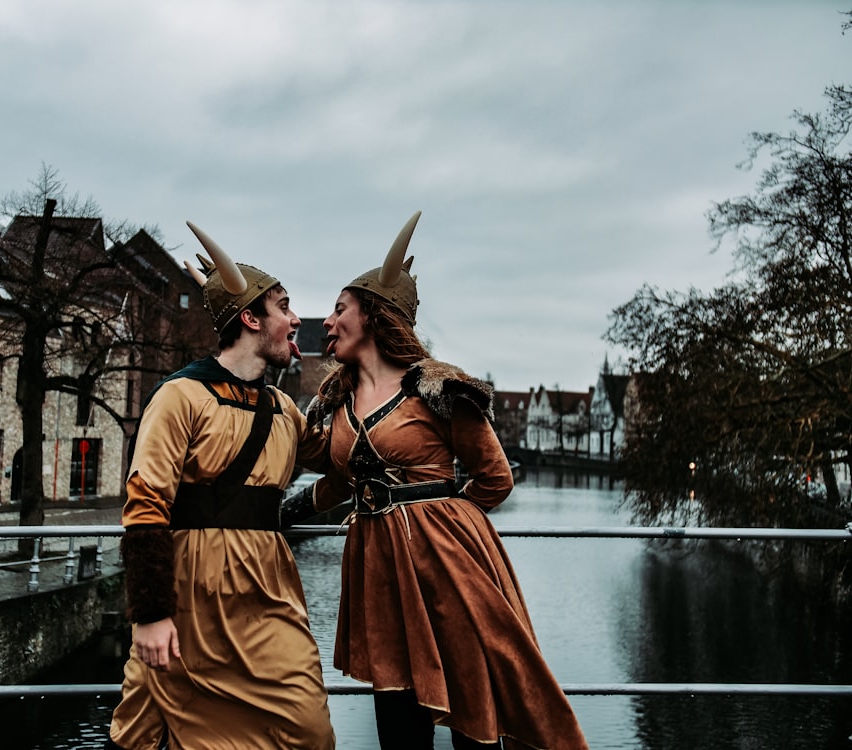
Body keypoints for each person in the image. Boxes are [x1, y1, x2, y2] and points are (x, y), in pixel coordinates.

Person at [282, 212, 589, 749]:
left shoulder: (438, 388)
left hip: (447, 563)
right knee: (398, 718)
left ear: (373, 317)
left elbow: (494, 479)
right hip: (377, 568)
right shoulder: (336, 403)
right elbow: (338, 484)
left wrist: (439, 522)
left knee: (475, 705)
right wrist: (285, 512)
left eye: (338, 309)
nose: (326, 323)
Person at [105, 222, 335, 750]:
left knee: (309, 731)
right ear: (251, 318)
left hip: (270, 597)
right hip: (193, 595)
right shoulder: (180, 396)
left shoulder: (283, 409)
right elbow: (145, 508)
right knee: (148, 729)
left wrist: (355, 376)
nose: (297, 319)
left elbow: (339, 458)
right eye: (284, 307)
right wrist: (151, 613)